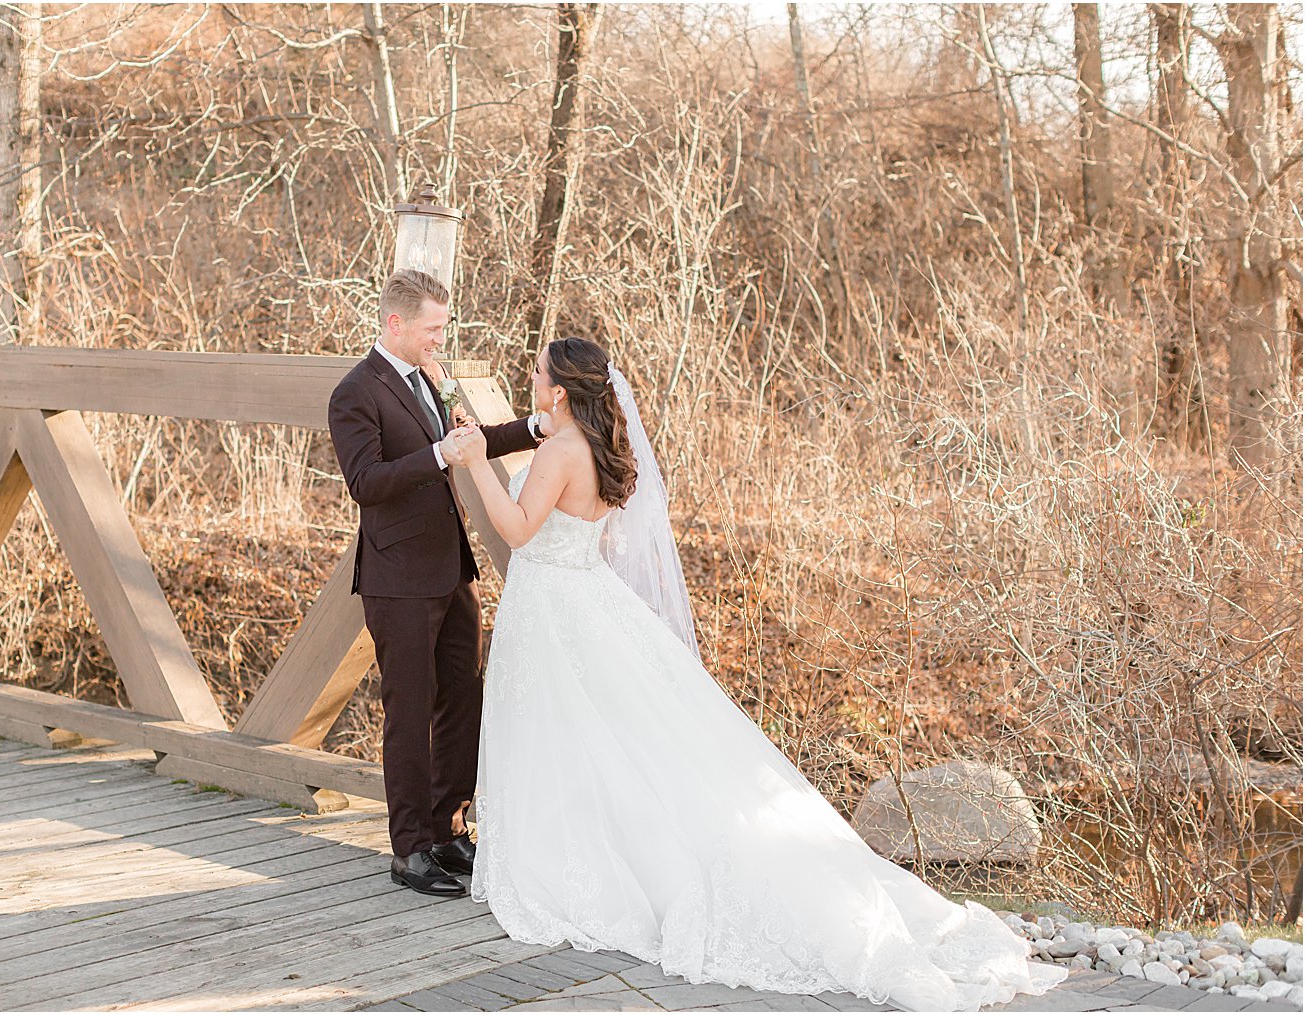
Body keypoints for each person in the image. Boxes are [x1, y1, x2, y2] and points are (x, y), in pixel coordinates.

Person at [447, 336, 1069, 1012]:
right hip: (588, 601)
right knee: (616, 744)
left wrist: (477, 460)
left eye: (537, 373)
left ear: (561, 390)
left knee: (569, 741)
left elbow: (515, 527)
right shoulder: (593, 446)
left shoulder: (561, 451)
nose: (530, 378)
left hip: (556, 613)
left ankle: (572, 871)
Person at [325, 269, 553, 898]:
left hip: (452, 569)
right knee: (409, 710)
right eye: (431, 329)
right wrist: (436, 458)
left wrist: (536, 427)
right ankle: (411, 849)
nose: (439, 339)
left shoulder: (428, 377)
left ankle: (450, 827)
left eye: (442, 328)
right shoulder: (355, 392)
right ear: (395, 323)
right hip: (397, 578)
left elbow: (469, 444)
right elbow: (366, 484)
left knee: (463, 694)